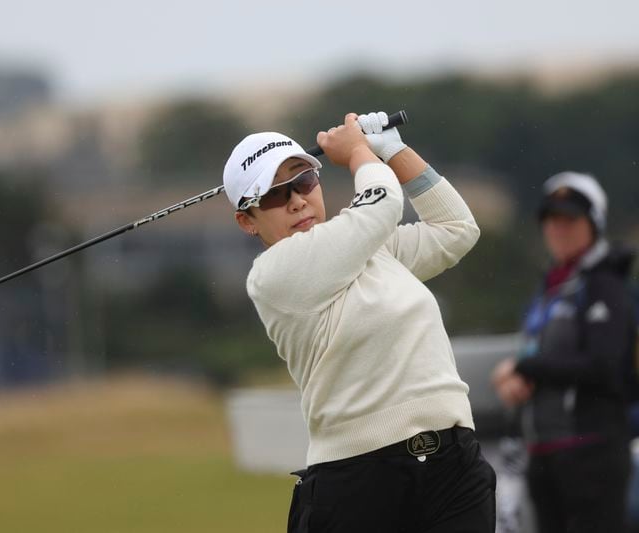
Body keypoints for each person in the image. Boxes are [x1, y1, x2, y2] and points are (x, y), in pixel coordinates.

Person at [223, 112, 496, 532]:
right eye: (275, 196)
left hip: (453, 464)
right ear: (247, 220)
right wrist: (357, 153)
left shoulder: (370, 245)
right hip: (359, 480)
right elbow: (383, 203)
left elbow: (456, 228)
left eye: (303, 182)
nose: (297, 200)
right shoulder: (274, 274)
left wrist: (393, 150)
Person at [491, 171, 637, 533]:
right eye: (551, 219)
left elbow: (603, 366)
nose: (558, 228)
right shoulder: (552, 286)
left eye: (569, 219)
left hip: (592, 450)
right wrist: (517, 378)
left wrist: (525, 367)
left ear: (595, 224)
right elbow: (543, 355)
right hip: (545, 452)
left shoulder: (606, 285)